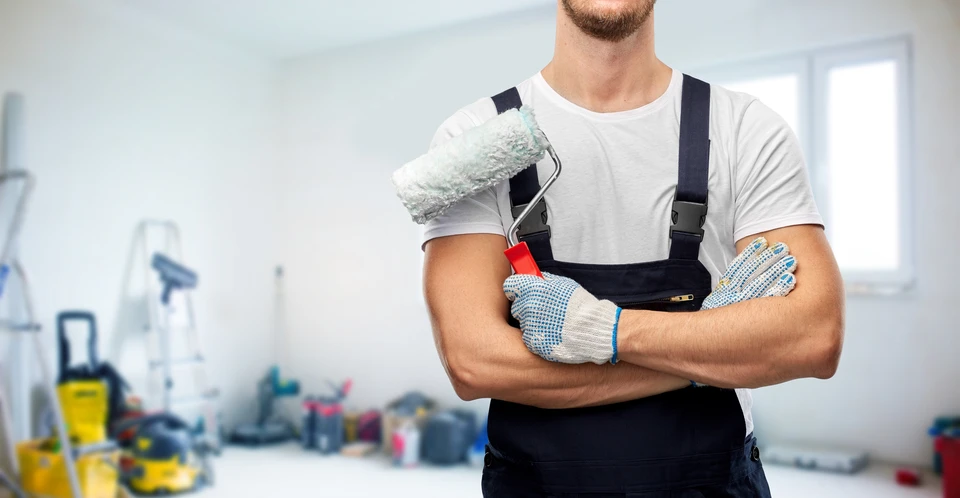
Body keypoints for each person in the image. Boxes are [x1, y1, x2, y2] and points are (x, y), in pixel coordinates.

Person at [421, 0, 845, 495]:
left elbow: (813, 339)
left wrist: (600, 330)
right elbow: (475, 362)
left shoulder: (744, 128)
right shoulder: (471, 140)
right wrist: (706, 352)